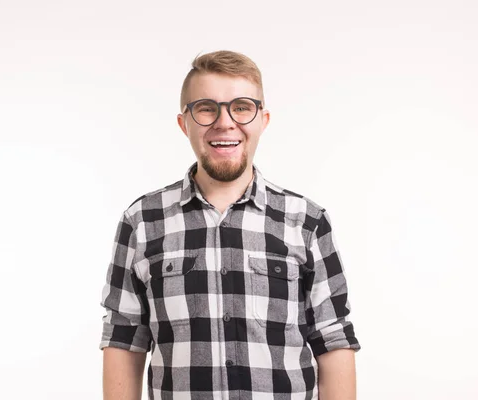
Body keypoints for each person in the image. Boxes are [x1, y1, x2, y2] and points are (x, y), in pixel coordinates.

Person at [99, 50, 361, 400]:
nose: (225, 122)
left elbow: (334, 339)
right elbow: (124, 339)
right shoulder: (142, 221)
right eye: (206, 108)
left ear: (263, 120)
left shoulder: (307, 222)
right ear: (184, 123)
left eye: (241, 107)